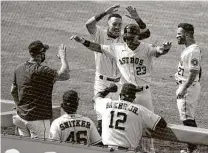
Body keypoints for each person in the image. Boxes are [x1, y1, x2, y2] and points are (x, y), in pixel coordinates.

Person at [71, 24, 171, 112]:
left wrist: (165, 49)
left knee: (148, 125)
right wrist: (83, 41)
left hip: (143, 94)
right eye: (126, 38)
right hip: (125, 94)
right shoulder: (117, 48)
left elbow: (159, 51)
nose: (128, 41)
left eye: (131, 38)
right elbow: (98, 48)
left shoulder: (147, 48)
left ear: (138, 37)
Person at [85, 5, 150, 98]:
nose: (117, 27)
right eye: (114, 24)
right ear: (108, 24)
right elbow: (89, 25)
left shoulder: (125, 38)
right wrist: (105, 13)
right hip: (102, 83)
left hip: (120, 84)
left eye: (120, 24)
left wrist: (137, 19)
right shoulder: (99, 34)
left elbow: (146, 34)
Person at [11, 40, 70, 139]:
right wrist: (63, 57)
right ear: (40, 55)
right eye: (44, 53)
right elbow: (65, 75)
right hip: (37, 119)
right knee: (40, 148)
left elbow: (13, 90)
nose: (44, 55)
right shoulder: (42, 71)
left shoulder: (19, 68)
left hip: (20, 118)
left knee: (24, 148)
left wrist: (18, 106)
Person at [93, 83, 167, 151]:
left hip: (106, 150)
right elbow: (162, 123)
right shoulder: (140, 110)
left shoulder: (106, 104)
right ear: (134, 97)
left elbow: (95, 98)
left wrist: (108, 90)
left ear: (121, 95)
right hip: (127, 150)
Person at [175, 23, 202, 153]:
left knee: (187, 119)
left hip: (188, 89)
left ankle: (192, 149)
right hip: (189, 87)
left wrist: (184, 88)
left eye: (179, 34)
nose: (177, 36)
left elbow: (194, 71)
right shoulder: (189, 48)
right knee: (188, 117)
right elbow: (198, 70)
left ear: (187, 34)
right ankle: (193, 147)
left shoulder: (193, 51)